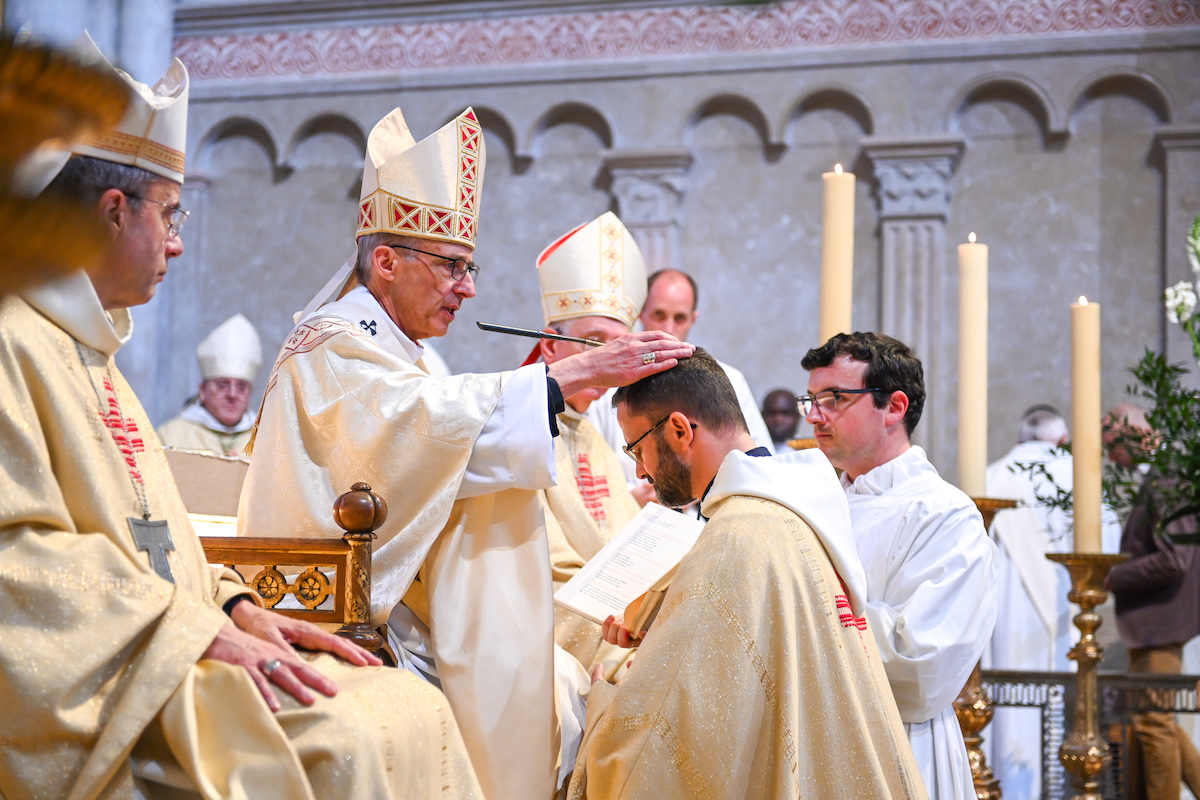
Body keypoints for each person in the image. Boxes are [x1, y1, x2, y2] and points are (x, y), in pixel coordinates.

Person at [0, 35, 482, 800]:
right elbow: (18, 564)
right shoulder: (14, 342)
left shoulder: (93, 355)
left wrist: (234, 604)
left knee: (412, 708)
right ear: (113, 213)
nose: (181, 242)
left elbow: (149, 535)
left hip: (158, 643)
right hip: (112, 684)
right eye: (170, 213)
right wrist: (193, 630)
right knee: (348, 736)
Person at [238, 105, 694, 800]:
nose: (470, 287)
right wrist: (560, 381)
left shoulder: (402, 355)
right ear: (385, 262)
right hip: (339, 608)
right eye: (452, 266)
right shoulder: (333, 343)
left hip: (400, 600)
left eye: (470, 266)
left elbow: (433, 435)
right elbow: (409, 429)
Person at [566, 349, 927, 799]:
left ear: (679, 430)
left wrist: (602, 704)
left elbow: (667, 740)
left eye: (637, 448)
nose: (639, 469)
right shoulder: (792, 509)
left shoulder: (737, 535)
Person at [801, 331, 998, 800]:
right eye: (810, 399)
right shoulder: (813, 505)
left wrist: (800, 608)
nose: (813, 415)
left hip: (901, 749)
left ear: (894, 406)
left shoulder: (945, 514)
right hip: (812, 742)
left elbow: (922, 667)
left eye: (834, 399)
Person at [984, 404, 1118, 798]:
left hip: (1004, 621)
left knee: (1008, 712)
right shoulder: (1083, 479)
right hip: (1072, 617)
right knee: (1067, 708)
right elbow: (1107, 550)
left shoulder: (991, 478)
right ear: (1062, 439)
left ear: (1020, 437)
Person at [532, 212, 644, 674]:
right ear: (548, 345)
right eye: (593, 341)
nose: (608, 360)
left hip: (613, 614)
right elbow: (548, 569)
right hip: (560, 629)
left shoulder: (593, 431)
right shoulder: (522, 431)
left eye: (619, 345)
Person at [586, 268, 775, 497]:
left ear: (693, 319)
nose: (668, 328)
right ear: (641, 314)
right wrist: (631, 498)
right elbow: (592, 476)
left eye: (679, 318)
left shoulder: (726, 379)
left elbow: (756, 457)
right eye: (659, 315)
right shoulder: (610, 390)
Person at [1105, 405, 1200, 800]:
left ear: (1137, 435)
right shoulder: (1162, 476)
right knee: (1154, 719)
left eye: (1112, 445)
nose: (1110, 457)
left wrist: (1114, 575)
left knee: (1154, 724)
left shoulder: (1167, 478)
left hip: (1161, 618)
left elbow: (1175, 559)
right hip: (1155, 619)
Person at [157, 313, 261, 456]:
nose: (232, 394)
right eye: (222, 385)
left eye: (241, 386)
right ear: (203, 390)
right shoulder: (169, 436)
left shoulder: (266, 439)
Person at [762, 387, 802, 452]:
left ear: (797, 416)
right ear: (762, 415)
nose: (778, 420)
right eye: (771, 413)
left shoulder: (810, 454)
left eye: (786, 413)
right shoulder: (748, 452)